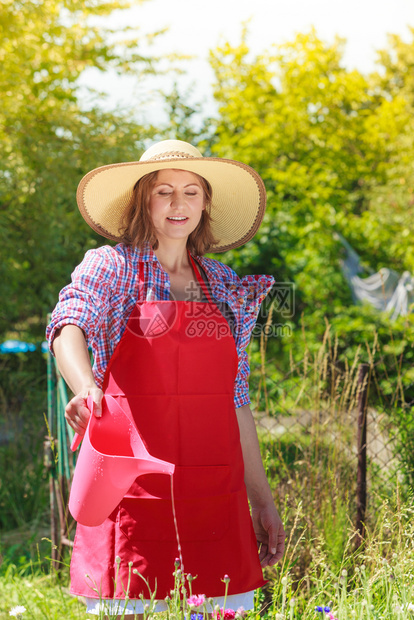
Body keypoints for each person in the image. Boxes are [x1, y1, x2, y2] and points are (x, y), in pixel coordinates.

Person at [46, 139, 285, 617]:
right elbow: (67, 325)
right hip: (133, 494)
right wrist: (87, 387)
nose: (179, 205)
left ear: (205, 203)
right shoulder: (111, 268)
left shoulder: (222, 284)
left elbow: (236, 401)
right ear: (142, 200)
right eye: (164, 192)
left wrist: (262, 500)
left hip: (214, 495)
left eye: (191, 192)